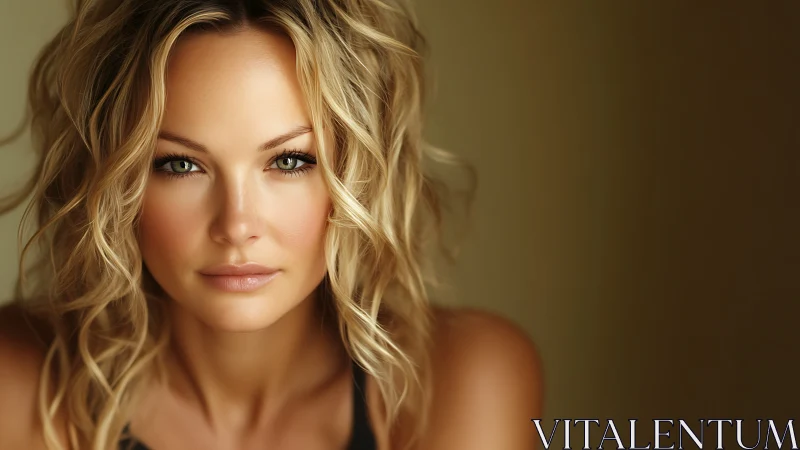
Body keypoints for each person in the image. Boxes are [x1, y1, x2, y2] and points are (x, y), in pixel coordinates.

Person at [0, 0, 542, 449]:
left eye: (288, 161)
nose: (237, 226)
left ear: (356, 171)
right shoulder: (18, 386)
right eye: (180, 164)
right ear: (113, 181)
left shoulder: (466, 380)